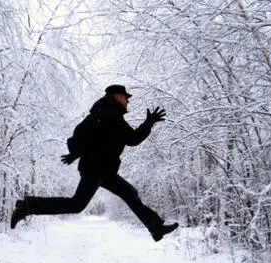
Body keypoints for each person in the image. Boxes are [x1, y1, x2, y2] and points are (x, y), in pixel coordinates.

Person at [11, 84, 178, 241]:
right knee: (77, 205)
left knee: (129, 193)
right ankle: (27, 206)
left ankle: (156, 227)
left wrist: (76, 154)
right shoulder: (109, 115)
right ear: (117, 97)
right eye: (126, 97)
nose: (128, 100)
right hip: (96, 169)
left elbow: (91, 138)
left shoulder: (107, 114)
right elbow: (131, 139)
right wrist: (148, 123)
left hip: (103, 170)